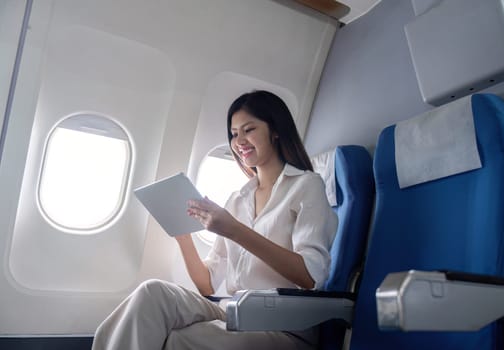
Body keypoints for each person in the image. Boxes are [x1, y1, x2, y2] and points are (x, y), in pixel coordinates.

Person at [91, 90, 338, 350]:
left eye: (249, 129)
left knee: (178, 340)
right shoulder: (238, 199)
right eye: (234, 134)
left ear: (275, 130)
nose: (239, 140)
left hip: (283, 325)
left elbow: (310, 276)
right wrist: (182, 235)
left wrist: (235, 231)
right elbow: (207, 283)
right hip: (234, 310)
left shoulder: (306, 186)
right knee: (152, 294)